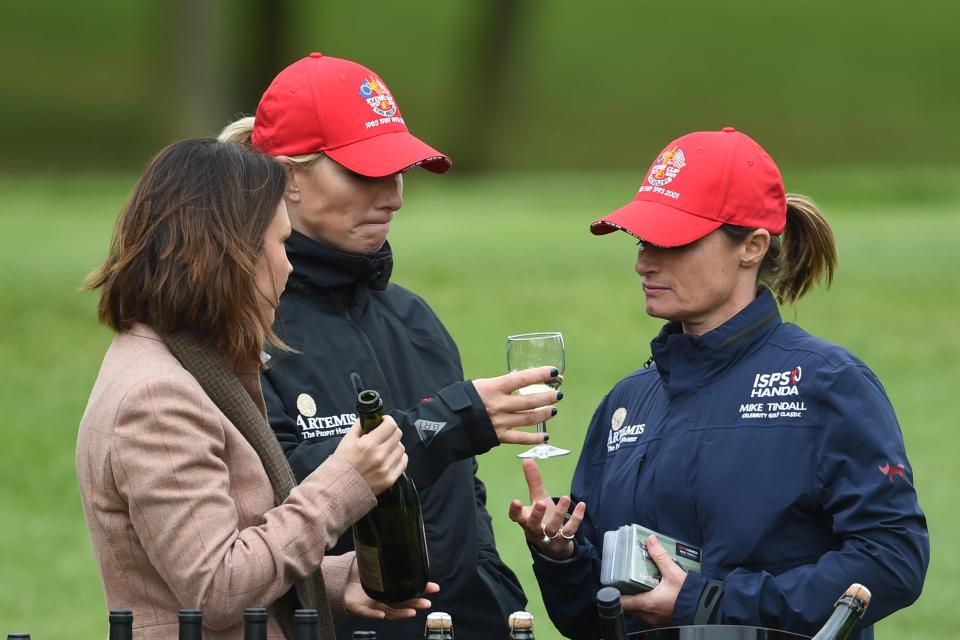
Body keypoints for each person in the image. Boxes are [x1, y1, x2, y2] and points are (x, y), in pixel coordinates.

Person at [508, 128, 929, 640]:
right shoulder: (625, 403)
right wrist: (562, 556)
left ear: (751, 247)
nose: (643, 261)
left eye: (672, 242)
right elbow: (590, 621)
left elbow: (893, 559)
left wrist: (707, 604)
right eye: (643, 240)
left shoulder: (828, 383)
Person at [218, 53, 562, 640]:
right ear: (286, 177)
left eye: (399, 172)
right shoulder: (237, 328)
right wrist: (448, 423)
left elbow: (463, 495)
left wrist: (492, 593)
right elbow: (266, 505)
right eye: (364, 173)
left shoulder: (414, 319)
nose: (395, 197)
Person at [76, 138, 438, 639]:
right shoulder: (157, 398)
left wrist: (335, 579)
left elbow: (225, 555)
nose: (289, 265)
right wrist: (346, 481)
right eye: (280, 243)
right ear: (230, 255)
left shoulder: (190, 366)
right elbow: (217, 590)